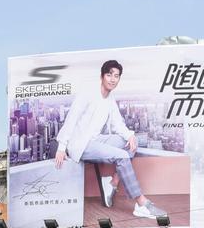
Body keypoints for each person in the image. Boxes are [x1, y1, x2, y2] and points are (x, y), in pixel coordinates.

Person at [53, 59, 166, 219]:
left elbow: (118, 123)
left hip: (97, 140)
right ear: (102, 76)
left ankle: (113, 183)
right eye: (109, 75)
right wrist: (61, 147)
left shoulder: (110, 99)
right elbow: (72, 118)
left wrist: (130, 136)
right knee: (122, 156)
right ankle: (141, 203)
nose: (113, 79)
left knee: (130, 144)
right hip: (81, 144)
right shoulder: (88, 93)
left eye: (116, 76)